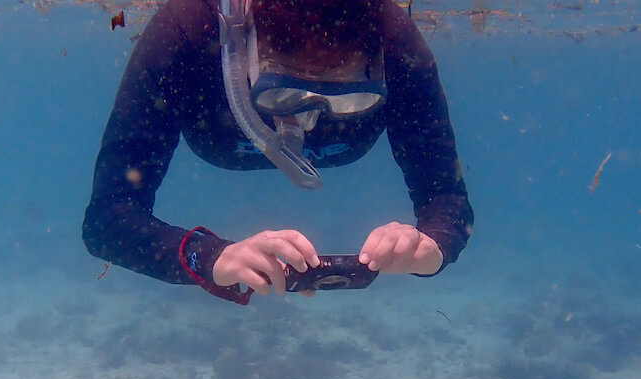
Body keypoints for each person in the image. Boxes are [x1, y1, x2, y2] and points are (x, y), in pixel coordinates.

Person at [83, 0, 474, 304]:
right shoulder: (187, 28)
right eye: (283, 92)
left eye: (345, 97)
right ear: (243, 52)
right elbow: (108, 219)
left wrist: (430, 250)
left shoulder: (395, 40)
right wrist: (215, 258)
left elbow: (446, 199)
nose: (306, 119)